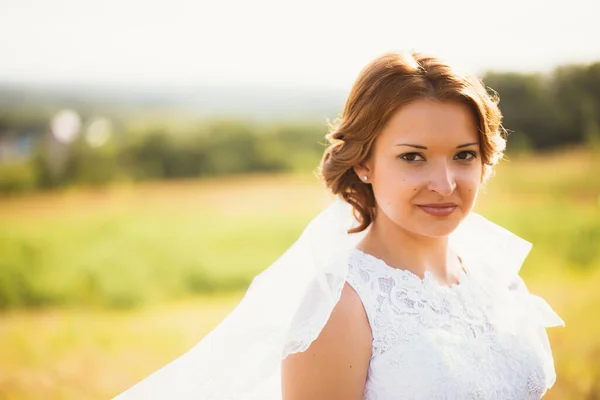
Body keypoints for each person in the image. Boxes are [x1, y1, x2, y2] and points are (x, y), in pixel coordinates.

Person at [114, 51, 564, 400]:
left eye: (463, 155)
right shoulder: (341, 309)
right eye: (413, 157)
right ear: (365, 163)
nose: (444, 183)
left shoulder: (492, 270)